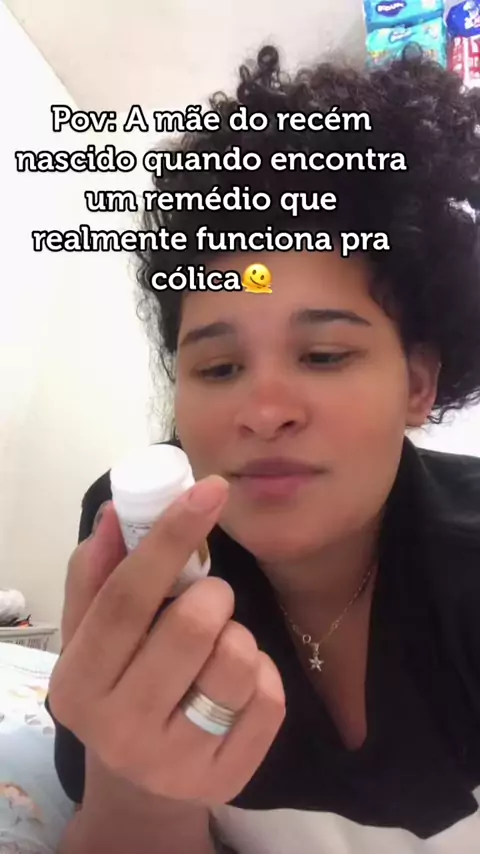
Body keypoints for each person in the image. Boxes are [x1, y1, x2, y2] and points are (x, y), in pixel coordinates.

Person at [46, 45, 480, 853]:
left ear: (418, 385)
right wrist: (139, 791)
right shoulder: (140, 534)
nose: (264, 412)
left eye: (324, 355)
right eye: (218, 367)